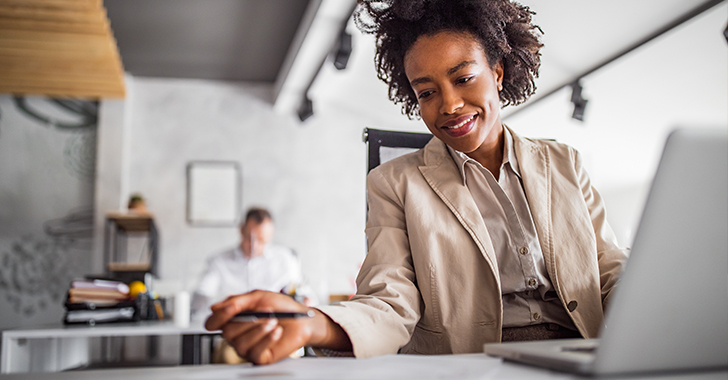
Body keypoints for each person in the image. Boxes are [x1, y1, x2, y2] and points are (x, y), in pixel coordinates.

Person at [205, 0, 628, 365]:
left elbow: (608, 272)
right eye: (426, 92)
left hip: (587, 356)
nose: (449, 104)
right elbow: (390, 302)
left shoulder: (563, 163)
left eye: (463, 78)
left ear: (497, 71)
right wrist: (315, 323)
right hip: (474, 366)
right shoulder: (393, 183)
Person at [192, 207, 316, 318]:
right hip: (232, 330)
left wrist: (305, 301)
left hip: (278, 328)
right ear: (241, 230)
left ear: (271, 235)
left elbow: (306, 295)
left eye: (261, 240)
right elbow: (202, 296)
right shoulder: (219, 261)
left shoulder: (285, 259)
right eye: (249, 238)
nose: (254, 246)